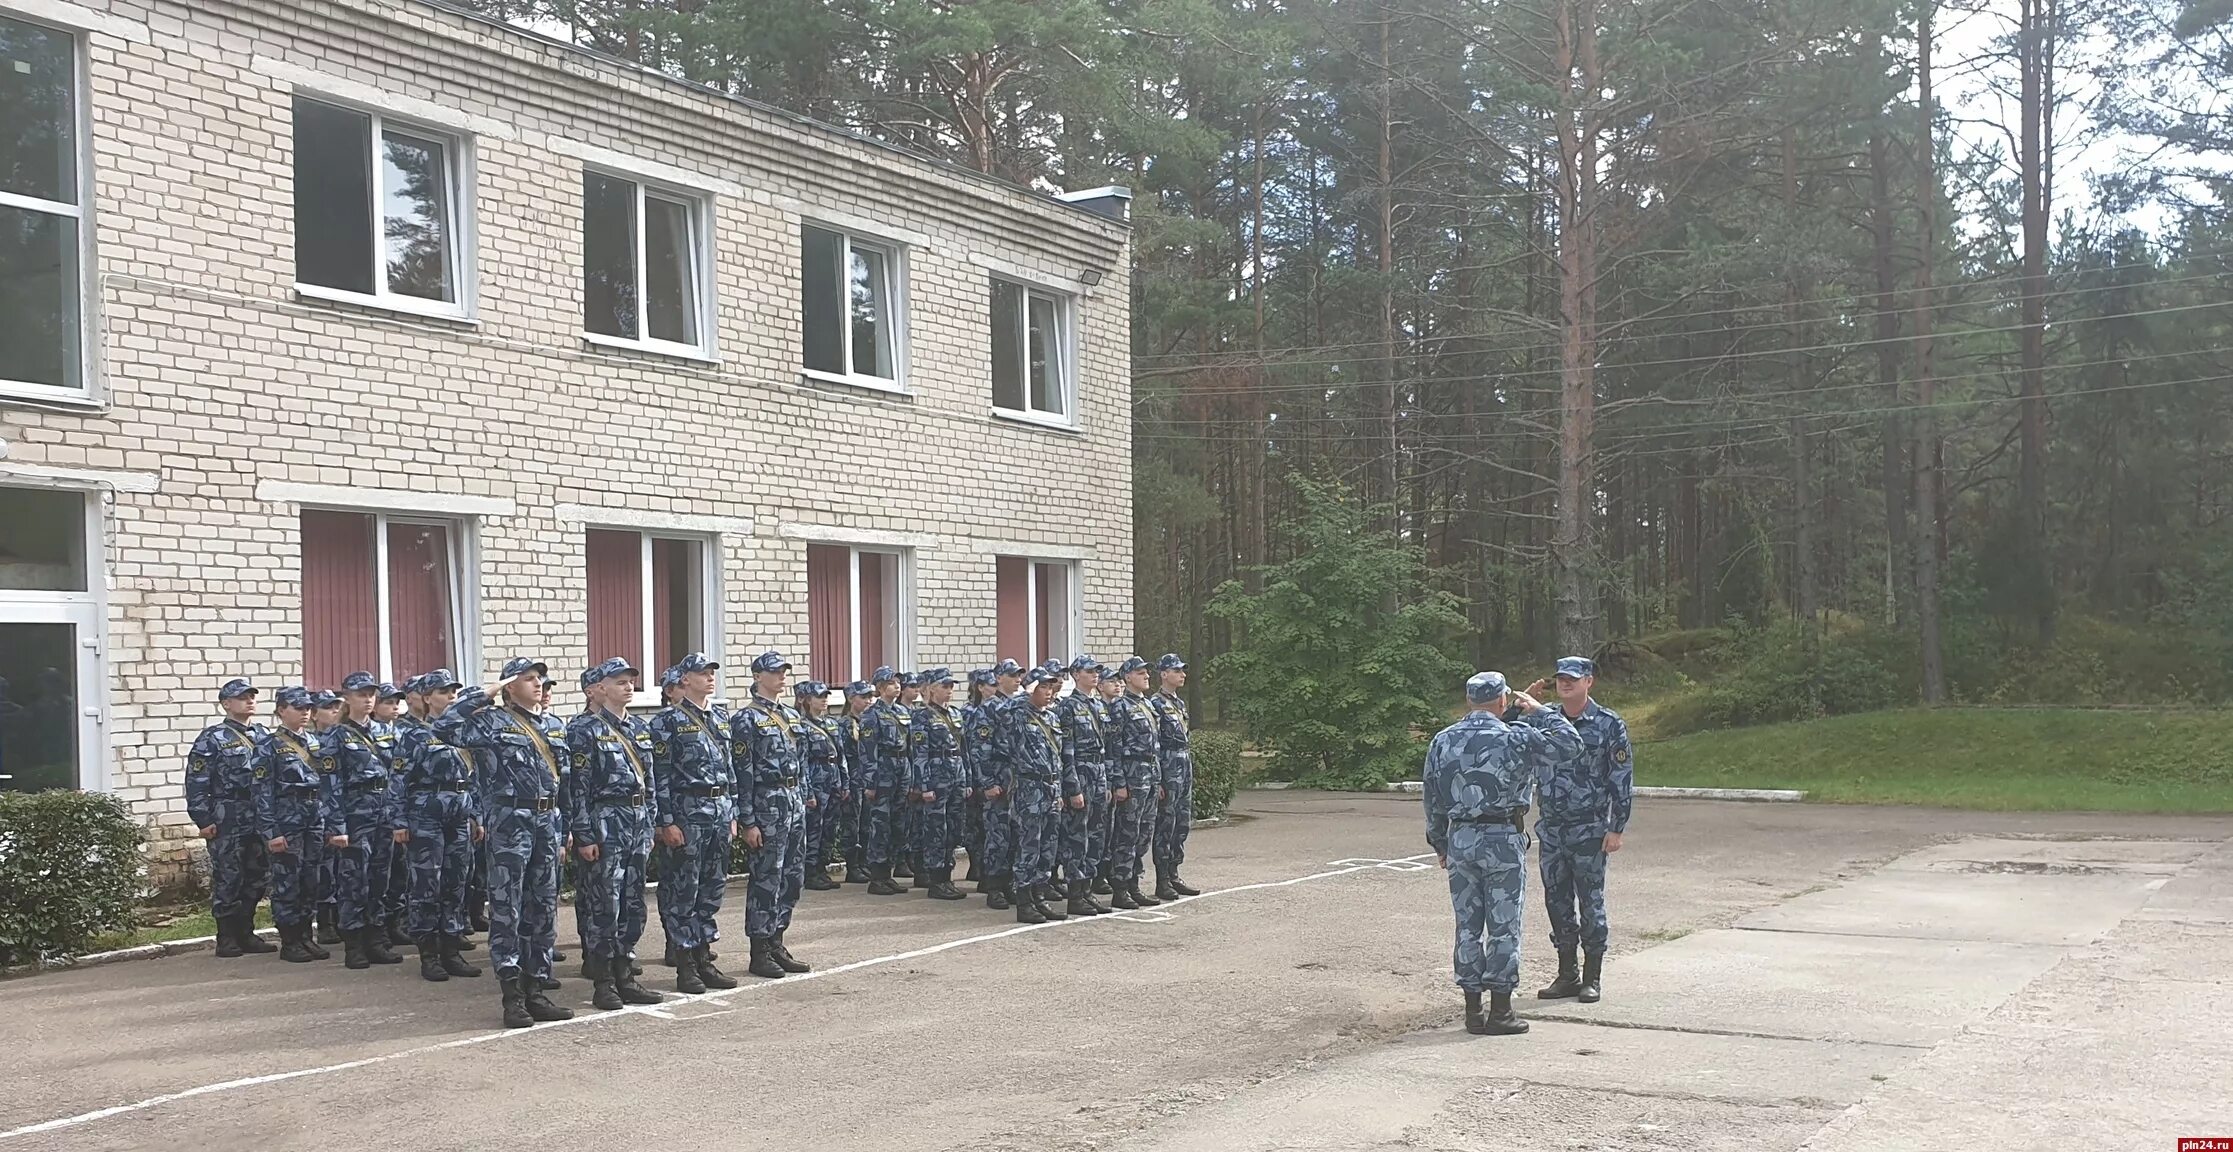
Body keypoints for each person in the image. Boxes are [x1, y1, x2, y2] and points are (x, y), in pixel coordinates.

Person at [1423, 671, 1580, 1036]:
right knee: (1503, 926)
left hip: (1461, 838)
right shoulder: (1518, 736)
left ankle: (1472, 1010)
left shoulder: (1443, 740)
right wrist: (1541, 711)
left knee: (1467, 926)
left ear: (1469, 701)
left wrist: (1440, 843)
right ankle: (1501, 1010)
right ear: (1502, 701)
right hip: (1502, 838)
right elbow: (1570, 744)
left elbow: (1432, 798)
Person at [438, 658, 574, 1029]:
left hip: (548, 821)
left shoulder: (554, 726)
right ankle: (512, 996)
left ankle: (537, 989)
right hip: (509, 823)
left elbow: (567, 782)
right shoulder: (491, 722)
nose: (537, 685)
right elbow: (445, 727)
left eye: (539, 679)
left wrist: (569, 827)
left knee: (543, 908)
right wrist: (486, 693)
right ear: (510, 686)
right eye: (527, 679)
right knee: (507, 908)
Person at [1527, 656, 1634, 1004]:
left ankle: (1592, 976)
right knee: (1556, 902)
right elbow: (1507, 732)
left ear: (1589, 681)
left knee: (1591, 902)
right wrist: (1521, 705)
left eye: (1573, 678)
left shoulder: (1607, 724)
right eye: (1560, 678)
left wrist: (1616, 827)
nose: (1565, 684)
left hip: (1589, 828)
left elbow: (1621, 778)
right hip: (1552, 828)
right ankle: (1567, 973)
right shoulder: (1547, 720)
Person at [564, 657, 664, 1010]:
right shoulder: (584, 730)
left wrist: (650, 822)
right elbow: (577, 788)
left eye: (630, 680)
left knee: (634, 901)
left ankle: (626, 973)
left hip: (636, 822)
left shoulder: (639, 727)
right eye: (619, 681)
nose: (628, 686)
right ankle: (603, 979)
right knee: (605, 901)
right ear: (599, 688)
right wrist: (585, 834)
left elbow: (650, 782)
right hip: (605, 820)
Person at [648, 651, 739, 994]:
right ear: (684, 680)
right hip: (687, 813)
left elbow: (729, 770)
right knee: (683, 891)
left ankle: (704, 958)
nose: (709, 678)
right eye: (702, 673)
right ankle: (685, 964)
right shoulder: (666, 722)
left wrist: (732, 812)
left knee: (711, 888)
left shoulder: (719, 718)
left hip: (717, 812)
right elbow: (661, 776)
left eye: (712, 672)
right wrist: (666, 821)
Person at [397, 669, 481, 982]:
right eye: (444, 692)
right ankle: (428, 954)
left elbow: (475, 777)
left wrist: (477, 815)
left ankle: (451, 949)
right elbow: (398, 779)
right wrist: (398, 821)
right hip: (425, 814)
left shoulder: (464, 732)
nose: (450, 697)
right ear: (427, 697)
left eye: (453, 693)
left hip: (459, 813)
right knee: (426, 885)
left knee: (456, 882)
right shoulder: (415, 734)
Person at [733, 651, 812, 979]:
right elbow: (743, 771)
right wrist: (748, 820)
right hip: (766, 804)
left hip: (792, 803)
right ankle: (760, 948)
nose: (781, 676)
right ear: (757, 676)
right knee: (767, 878)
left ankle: (777, 939)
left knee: (792, 878)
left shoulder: (792, 716)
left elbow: (803, 760)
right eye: (774, 671)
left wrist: (804, 797)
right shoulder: (746, 719)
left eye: (784, 671)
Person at [185, 678, 276, 957]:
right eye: (242, 697)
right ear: (226, 704)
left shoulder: (264, 735)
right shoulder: (213, 738)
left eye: (252, 696)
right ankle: (226, 936)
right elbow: (197, 780)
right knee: (229, 876)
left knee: (257, 876)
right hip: (229, 816)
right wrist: (203, 818)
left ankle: (246, 932)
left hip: (260, 815)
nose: (249, 701)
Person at [256, 686, 344, 963]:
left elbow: (329, 785)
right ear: (282, 710)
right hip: (287, 817)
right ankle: (290, 940)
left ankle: (306, 936)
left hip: (314, 816)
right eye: (298, 707)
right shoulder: (269, 746)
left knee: (311, 879)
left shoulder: (317, 742)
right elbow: (261, 791)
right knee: (287, 882)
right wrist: (271, 831)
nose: (305, 712)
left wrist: (331, 822)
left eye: (308, 708)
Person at [324, 672, 405, 969]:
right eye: (361, 694)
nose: (368, 699)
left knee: (379, 879)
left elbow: (397, 775)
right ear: (347, 697)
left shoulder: (386, 731)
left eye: (372, 694)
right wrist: (337, 826)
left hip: (383, 813)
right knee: (353, 881)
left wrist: (399, 816)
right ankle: (354, 943)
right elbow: (329, 783)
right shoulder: (335, 735)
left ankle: (376, 937)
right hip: (355, 815)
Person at [1007, 668, 1068, 924]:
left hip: (1051, 787)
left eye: (1052, 688)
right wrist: (1027, 690)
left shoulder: (1053, 718)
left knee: (1048, 846)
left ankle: (1040, 896)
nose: (1050, 693)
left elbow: (1058, 757)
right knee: (1029, 845)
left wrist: (1061, 790)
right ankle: (1024, 902)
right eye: (1044, 687)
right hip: (1029, 788)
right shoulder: (1018, 715)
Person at [1054, 656, 1113, 917]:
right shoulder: (1068, 707)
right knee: (1078, 837)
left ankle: (1087, 890)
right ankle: (1075, 894)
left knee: (1097, 836)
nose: (1095, 676)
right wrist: (1073, 787)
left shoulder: (1098, 705)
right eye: (1090, 671)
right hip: (1080, 773)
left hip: (1099, 774)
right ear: (1076, 674)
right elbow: (1066, 752)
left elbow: (1107, 747)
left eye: (1097, 672)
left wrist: (1109, 781)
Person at [908, 668, 969, 901]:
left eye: (951, 686)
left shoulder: (955, 714)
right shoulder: (921, 716)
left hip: (956, 774)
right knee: (936, 829)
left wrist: (968, 780)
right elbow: (919, 754)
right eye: (944, 686)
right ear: (931, 688)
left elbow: (964, 750)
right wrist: (924, 785)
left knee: (953, 828)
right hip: (935, 776)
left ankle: (948, 875)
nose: (949, 690)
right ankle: (936, 879)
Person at [1106, 656, 1161, 910]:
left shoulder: (1147, 705)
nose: (1146, 676)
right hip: (1132, 774)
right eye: (1140, 673)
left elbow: (1155, 747)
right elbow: (1114, 748)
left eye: (1146, 672)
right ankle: (1120, 887)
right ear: (1127, 677)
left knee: (1144, 833)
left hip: (1149, 773)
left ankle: (1134, 884)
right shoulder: (1120, 707)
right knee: (1127, 833)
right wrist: (1118, 782)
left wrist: (1158, 779)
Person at [1147, 654, 1201, 900]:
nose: (1182, 674)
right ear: (1164, 674)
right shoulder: (1155, 704)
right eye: (1176, 670)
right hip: (1168, 767)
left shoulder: (1178, 703)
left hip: (1183, 764)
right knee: (1165, 824)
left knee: (1181, 822)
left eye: (1183, 670)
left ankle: (1174, 871)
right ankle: (1162, 879)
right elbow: (1153, 744)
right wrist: (1157, 778)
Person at [975, 658, 1026, 909]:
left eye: (1019, 675)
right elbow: (980, 748)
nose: (1018, 679)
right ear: (999, 678)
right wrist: (987, 782)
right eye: (1012, 675)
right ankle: (994, 886)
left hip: (1018, 777)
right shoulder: (989, 707)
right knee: (998, 835)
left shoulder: (1020, 705)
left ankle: (1010, 883)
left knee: (1016, 833)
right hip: (999, 774)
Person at [858, 666, 910, 896]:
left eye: (898, 682)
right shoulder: (872, 714)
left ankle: (888, 871)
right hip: (883, 770)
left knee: (898, 823)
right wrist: (870, 782)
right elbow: (868, 751)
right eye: (891, 683)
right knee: (880, 823)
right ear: (879, 688)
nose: (897, 686)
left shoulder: (902, 712)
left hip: (902, 768)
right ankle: (877, 875)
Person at [371, 682, 415, 950]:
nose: (395, 707)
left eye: (397, 702)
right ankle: (374, 930)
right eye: (388, 702)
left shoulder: (402, 733)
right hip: (371, 810)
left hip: (396, 809)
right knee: (376, 874)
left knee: (399, 870)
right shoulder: (360, 733)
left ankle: (394, 922)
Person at [793, 680, 844, 892]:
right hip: (815, 779)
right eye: (819, 696)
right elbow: (801, 761)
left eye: (826, 696)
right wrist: (808, 791)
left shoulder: (831, 723)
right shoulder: (801, 725)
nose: (824, 700)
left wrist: (844, 781)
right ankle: (810, 871)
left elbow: (840, 755)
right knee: (813, 827)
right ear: (807, 700)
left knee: (829, 827)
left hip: (832, 778)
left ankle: (822, 867)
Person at [309, 689, 344, 946]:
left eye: (337, 706)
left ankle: (340, 919)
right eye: (328, 707)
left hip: (339, 810)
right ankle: (325, 923)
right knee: (323, 869)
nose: (335, 711)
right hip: (313, 811)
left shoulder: (343, 737)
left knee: (342, 868)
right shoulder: (307, 741)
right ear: (314, 713)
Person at [960, 670, 999, 892]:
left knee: (988, 825)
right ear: (980, 687)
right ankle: (977, 864)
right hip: (976, 774)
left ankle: (985, 869)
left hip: (990, 775)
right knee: (976, 824)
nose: (994, 688)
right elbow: (970, 746)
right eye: (991, 684)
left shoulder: (997, 708)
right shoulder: (969, 711)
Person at [837, 681, 875, 885]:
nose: (869, 701)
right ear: (852, 699)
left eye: (870, 696)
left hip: (867, 777)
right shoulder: (844, 724)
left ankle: (864, 863)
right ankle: (852, 866)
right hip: (853, 777)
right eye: (864, 697)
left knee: (867, 823)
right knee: (852, 822)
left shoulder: (869, 721)